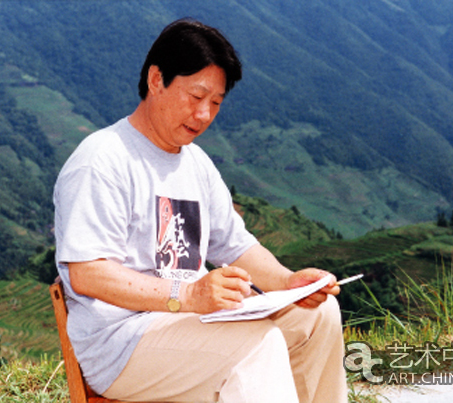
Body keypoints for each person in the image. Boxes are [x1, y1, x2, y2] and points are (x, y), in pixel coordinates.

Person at [54, 18, 348, 403]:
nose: (204, 115)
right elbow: (88, 275)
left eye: (216, 103)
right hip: (123, 342)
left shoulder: (195, 163)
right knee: (256, 343)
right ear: (156, 80)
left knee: (318, 316)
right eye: (196, 97)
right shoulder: (102, 160)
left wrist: (288, 281)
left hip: (194, 321)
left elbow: (236, 246)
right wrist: (188, 295)